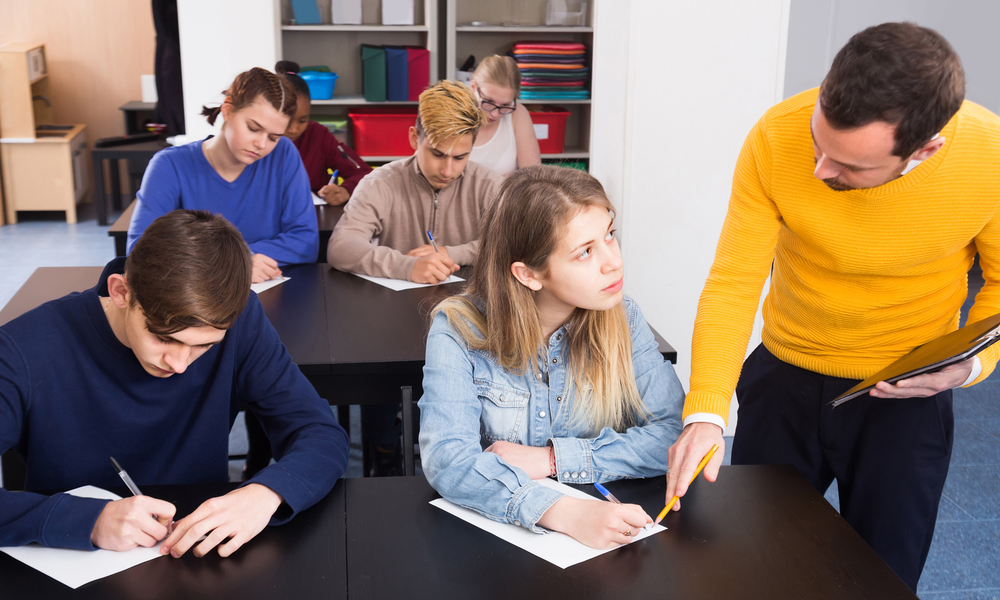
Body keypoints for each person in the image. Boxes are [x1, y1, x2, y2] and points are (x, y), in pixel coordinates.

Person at [665, 22, 1000, 591]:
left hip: (905, 393)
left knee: (881, 579)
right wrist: (706, 411)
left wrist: (970, 367)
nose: (820, 170)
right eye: (821, 144)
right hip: (784, 379)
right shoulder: (777, 135)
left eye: (849, 166)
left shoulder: (989, 158)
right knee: (753, 571)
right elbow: (734, 282)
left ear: (925, 149)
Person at [0, 210, 349, 557]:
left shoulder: (241, 322)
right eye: (165, 338)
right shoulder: (22, 350)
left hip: (194, 553)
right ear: (121, 292)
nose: (180, 365)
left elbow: (320, 433)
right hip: (62, 560)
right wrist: (87, 520)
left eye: (204, 346)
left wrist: (266, 493)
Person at [420, 165, 684, 548]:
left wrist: (553, 460)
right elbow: (448, 460)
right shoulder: (458, 329)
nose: (613, 261)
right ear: (528, 275)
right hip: (495, 550)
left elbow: (673, 435)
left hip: (607, 541)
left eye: (610, 235)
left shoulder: (623, 316)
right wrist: (564, 512)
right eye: (585, 252)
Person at [127, 67, 318, 284]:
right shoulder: (169, 166)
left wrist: (223, 259)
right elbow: (139, 251)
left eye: (273, 137)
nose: (262, 144)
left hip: (269, 296)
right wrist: (236, 262)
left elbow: (306, 242)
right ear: (227, 110)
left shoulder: (284, 153)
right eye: (253, 128)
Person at [328, 80, 504, 284]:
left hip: (471, 305)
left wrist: (451, 253)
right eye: (437, 154)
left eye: (459, 158)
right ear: (414, 138)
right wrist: (407, 266)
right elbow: (341, 247)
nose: (447, 171)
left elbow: (514, 245)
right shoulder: (378, 183)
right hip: (396, 306)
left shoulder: (490, 185)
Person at [275, 60, 373, 205]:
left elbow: (365, 174)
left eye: (302, 120)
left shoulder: (317, 134)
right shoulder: (259, 141)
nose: (294, 130)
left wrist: (345, 190)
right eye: (287, 121)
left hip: (314, 218)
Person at [467, 55, 541, 176]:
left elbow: (533, 176)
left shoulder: (518, 113)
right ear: (473, 87)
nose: (495, 114)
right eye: (488, 101)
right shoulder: (453, 112)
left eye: (506, 105)